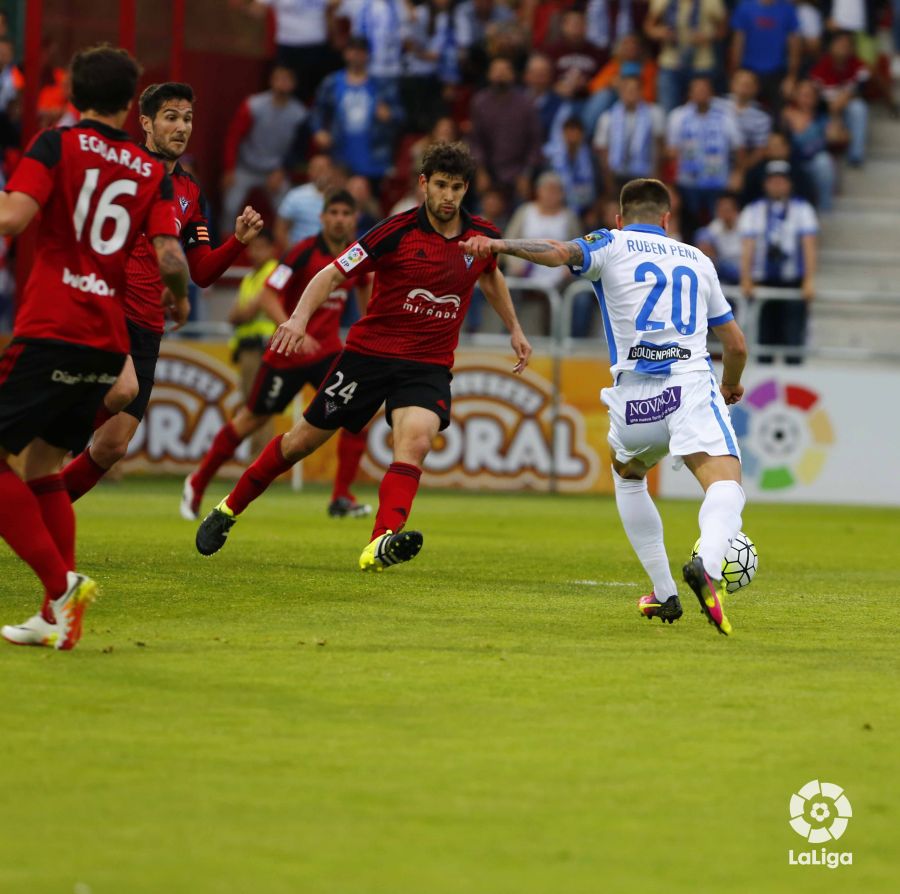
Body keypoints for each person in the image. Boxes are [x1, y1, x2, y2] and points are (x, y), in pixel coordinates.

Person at [195, 142, 532, 570]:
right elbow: (331, 272)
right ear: (424, 184)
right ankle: (228, 509)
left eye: (457, 188)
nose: (448, 196)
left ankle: (380, 541)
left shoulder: (481, 236)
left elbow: (491, 276)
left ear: (466, 190)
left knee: (415, 442)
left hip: (427, 364)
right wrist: (298, 320)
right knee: (300, 442)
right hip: (368, 357)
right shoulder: (394, 231)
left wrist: (515, 329)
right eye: (441, 185)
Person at [460, 177, 749, 636]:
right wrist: (731, 385)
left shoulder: (609, 243)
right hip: (689, 386)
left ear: (619, 217)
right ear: (666, 219)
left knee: (628, 476)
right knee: (726, 484)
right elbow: (734, 344)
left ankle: (664, 593)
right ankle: (708, 565)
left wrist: (498, 244)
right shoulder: (699, 259)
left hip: (635, 399)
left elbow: (556, 252)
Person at [0, 46, 189, 649]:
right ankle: (56, 618)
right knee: (43, 469)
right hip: (107, 339)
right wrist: (179, 298)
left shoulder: (56, 144)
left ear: (75, 95)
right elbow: (169, 254)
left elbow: (14, 218)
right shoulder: (151, 170)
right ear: (132, 102)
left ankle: (61, 586)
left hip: (52, 325)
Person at [60, 82, 265, 504]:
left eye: (187, 119)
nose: (181, 127)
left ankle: (41, 509)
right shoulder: (125, 169)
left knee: (112, 445)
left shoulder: (190, 192)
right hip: (106, 308)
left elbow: (203, 271)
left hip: (148, 326)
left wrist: (238, 241)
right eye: (171, 117)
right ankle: (42, 453)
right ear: (146, 123)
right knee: (121, 392)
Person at [182, 190, 373, 521]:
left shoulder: (356, 255)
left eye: (346, 213)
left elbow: (365, 286)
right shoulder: (302, 253)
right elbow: (270, 293)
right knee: (251, 420)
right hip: (287, 354)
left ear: (354, 218)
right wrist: (293, 327)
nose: (340, 219)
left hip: (326, 353)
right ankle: (197, 483)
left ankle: (341, 497)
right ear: (322, 218)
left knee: (358, 414)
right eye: (334, 213)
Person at [738, 159, 818, 364]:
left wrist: (809, 279)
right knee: (764, 340)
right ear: (766, 184)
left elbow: (809, 245)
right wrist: (745, 278)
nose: (777, 185)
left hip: (792, 283)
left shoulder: (802, 209)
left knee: (793, 342)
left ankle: (792, 385)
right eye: (773, 181)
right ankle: (766, 389)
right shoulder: (753, 210)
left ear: (789, 183)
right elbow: (748, 246)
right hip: (763, 283)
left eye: (781, 181)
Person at [221, 65, 308, 232]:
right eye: (279, 78)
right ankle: (224, 244)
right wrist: (229, 168)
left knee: (287, 211)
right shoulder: (254, 105)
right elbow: (234, 137)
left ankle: (283, 251)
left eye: (287, 79)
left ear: (293, 84)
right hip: (246, 167)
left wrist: (282, 171)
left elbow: (300, 150)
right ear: (271, 81)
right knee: (230, 206)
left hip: (275, 171)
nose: (282, 83)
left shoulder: (300, 114)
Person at [226, 228, 280, 457]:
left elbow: (245, 313)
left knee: (260, 408)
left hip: (263, 347)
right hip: (247, 348)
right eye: (252, 247)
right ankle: (257, 459)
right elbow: (234, 316)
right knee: (252, 406)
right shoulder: (250, 277)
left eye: (260, 247)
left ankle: (260, 459)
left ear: (271, 249)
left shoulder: (273, 272)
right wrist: (241, 314)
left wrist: (242, 314)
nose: (254, 252)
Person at [275, 153, 339, 247]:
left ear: (332, 171)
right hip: (299, 253)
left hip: (331, 255)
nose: (320, 173)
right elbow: (280, 229)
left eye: (323, 169)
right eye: (316, 169)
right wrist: (291, 253)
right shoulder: (295, 195)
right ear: (309, 171)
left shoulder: (340, 198)